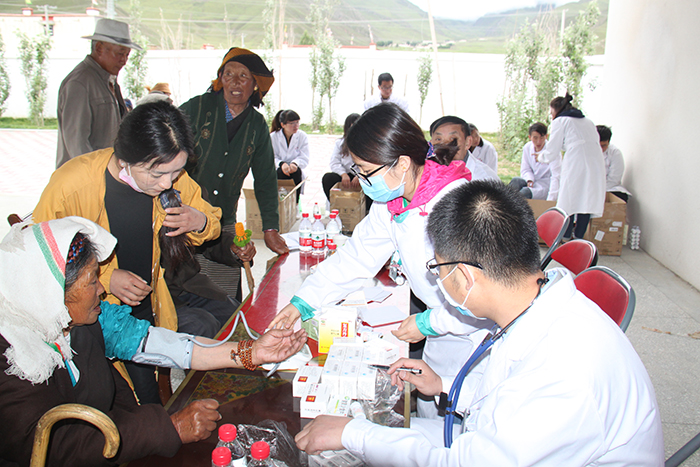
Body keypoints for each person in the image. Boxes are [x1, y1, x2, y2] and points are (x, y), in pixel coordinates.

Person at [295, 180, 664, 466]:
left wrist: (354, 434)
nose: (437, 280)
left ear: (466, 277)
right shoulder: (534, 305)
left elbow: (465, 461)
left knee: (358, 442)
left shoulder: (565, 374)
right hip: (500, 443)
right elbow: (506, 398)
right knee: (379, 433)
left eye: (437, 269)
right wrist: (444, 385)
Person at [0, 217, 307, 467]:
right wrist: (169, 428)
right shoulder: (13, 358)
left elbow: (159, 345)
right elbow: (54, 447)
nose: (102, 290)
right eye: (92, 281)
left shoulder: (82, 320)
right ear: (51, 292)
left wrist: (252, 352)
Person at [269, 104, 493, 418]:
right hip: (441, 336)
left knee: (464, 421)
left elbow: (485, 297)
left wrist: (430, 322)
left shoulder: (457, 205)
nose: (360, 179)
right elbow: (355, 258)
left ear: (402, 163)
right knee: (431, 412)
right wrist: (303, 301)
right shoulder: (395, 200)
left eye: (365, 170)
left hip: (475, 338)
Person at [34, 101, 231, 404]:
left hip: (147, 303)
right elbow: (40, 258)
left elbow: (213, 224)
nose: (167, 183)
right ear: (125, 158)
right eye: (157, 174)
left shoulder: (170, 175)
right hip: (93, 316)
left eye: (176, 172)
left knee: (149, 396)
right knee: (115, 398)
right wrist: (106, 279)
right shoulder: (72, 184)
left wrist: (200, 220)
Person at [180, 47, 288, 299]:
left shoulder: (257, 125)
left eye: (243, 76)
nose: (234, 82)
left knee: (225, 292)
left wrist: (270, 228)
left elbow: (265, 179)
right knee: (186, 289)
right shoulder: (197, 108)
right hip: (185, 216)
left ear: (255, 85)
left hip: (223, 220)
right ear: (220, 79)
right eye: (228, 74)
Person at [56, 18, 142, 168]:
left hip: (106, 171)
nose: (124, 61)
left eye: (127, 55)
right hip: (85, 175)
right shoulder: (80, 83)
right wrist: (95, 176)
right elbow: (77, 143)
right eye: (120, 54)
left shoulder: (108, 80)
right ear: (99, 48)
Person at [538, 93, 606, 240]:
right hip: (595, 160)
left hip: (577, 160)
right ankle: (579, 237)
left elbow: (552, 150)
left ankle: (566, 235)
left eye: (551, 112)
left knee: (569, 198)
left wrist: (540, 157)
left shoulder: (560, 121)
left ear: (556, 110)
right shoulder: (588, 121)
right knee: (586, 198)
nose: (551, 116)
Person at [429, 116, 500, 182]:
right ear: (431, 143)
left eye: (453, 139)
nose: (445, 145)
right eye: (438, 139)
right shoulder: (427, 172)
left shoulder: (485, 179)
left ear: (468, 142)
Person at [321, 113, 368, 203]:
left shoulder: (368, 143)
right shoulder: (340, 143)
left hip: (361, 175)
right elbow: (334, 162)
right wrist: (343, 174)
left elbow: (371, 164)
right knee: (328, 178)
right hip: (345, 176)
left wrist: (360, 175)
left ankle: (364, 208)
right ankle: (337, 205)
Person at [509, 122, 561, 199]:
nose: (539, 141)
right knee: (515, 182)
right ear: (530, 137)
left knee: (524, 193)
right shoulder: (527, 147)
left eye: (542, 137)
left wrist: (551, 199)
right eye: (535, 138)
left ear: (546, 136)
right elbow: (526, 169)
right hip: (532, 182)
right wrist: (529, 180)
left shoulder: (552, 151)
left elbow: (556, 176)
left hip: (545, 185)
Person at [270, 109, 310, 203]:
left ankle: (295, 203)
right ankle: (280, 203)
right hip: (278, 168)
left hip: (295, 168)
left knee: (296, 172)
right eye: (292, 123)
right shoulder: (273, 137)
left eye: (297, 122)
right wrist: (281, 164)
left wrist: (294, 163)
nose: (296, 126)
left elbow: (304, 156)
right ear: (283, 125)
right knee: (280, 172)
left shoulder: (302, 136)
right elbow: (271, 156)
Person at [597, 125, 631, 202]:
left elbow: (614, 179)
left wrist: (599, 190)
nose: (601, 149)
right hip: (589, 188)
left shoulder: (615, 153)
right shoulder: (584, 152)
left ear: (608, 142)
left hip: (608, 188)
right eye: (599, 145)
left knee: (620, 197)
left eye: (604, 146)